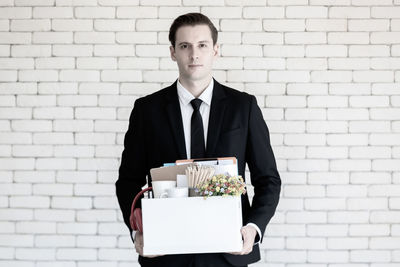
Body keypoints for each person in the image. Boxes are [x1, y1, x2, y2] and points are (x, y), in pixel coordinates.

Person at [116, 12, 281, 267]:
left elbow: (268, 179)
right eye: (185, 46)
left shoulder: (243, 107)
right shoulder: (146, 110)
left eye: (202, 45)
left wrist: (253, 228)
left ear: (215, 50)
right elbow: (128, 181)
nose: (194, 55)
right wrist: (138, 232)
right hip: (166, 254)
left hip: (229, 252)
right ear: (173, 52)